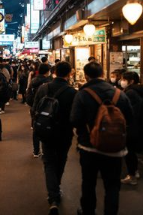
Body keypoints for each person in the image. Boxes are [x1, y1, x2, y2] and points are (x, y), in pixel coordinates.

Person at [70, 62, 133, 215]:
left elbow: (74, 120)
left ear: (86, 76)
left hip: (89, 147)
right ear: (103, 74)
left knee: (89, 183)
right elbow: (130, 118)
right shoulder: (119, 94)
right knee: (112, 185)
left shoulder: (83, 94)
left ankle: (88, 211)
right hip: (115, 149)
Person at [32, 62, 77, 214]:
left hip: (46, 132)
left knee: (49, 162)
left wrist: (38, 124)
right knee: (61, 159)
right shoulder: (72, 92)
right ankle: (55, 188)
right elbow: (75, 116)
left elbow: (34, 108)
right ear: (69, 73)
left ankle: (53, 197)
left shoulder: (44, 88)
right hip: (64, 133)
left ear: (54, 72)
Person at [120, 72, 143, 185]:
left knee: (129, 151)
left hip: (132, 127)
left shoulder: (131, 92)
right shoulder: (139, 90)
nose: (121, 81)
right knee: (132, 151)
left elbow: (130, 112)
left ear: (131, 81)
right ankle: (135, 171)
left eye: (124, 79)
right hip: (138, 126)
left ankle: (132, 176)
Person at [28, 63, 52, 157]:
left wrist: (32, 107)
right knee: (48, 129)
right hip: (48, 109)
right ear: (47, 72)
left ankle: (36, 151)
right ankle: (46, 150)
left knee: (36, 130)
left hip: (36, 108)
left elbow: (28, 94)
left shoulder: (34, 80)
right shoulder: (49, 82)